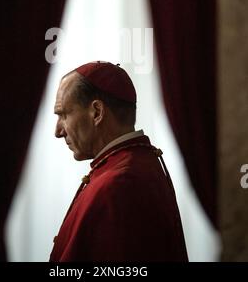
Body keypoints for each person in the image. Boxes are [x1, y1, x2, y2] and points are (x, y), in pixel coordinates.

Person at [49, 61, 188, 262]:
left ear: (97, 112)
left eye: (63, 115)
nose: (58, 131)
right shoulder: (136, 163)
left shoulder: (119, 183)